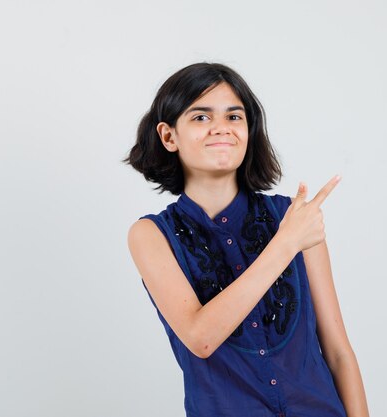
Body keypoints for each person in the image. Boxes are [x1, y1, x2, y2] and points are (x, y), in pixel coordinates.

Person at [124, 62, 369, 417]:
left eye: (234, 117)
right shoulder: (150, 235)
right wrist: (286, 244)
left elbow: (338, 352)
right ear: (168, 136)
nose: (221, 128)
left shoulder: (293, 216)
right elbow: (201, 338)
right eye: (201, 118)